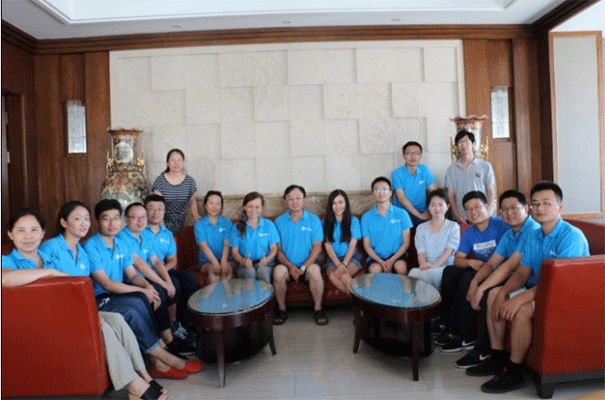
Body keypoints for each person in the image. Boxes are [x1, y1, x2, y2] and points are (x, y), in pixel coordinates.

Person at [2, 209, 169, 400]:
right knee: (101, 328)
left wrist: (89, 314)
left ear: (42, 233)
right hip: (37, 324)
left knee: (116, 319)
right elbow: (4, 279)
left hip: (64, 316)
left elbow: (65, 294)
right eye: (21, 230)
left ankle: (144, 376)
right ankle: (134, 385)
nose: (28, 236)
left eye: (34, 230)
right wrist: (50, 272)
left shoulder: (48, 258)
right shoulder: (8, 260)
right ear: (10, 234)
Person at [479, 181, 589, 394]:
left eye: (547, 203)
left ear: (560, 207)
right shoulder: (534, 234)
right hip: (544, 291)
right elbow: (522, 273)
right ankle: (498, 357)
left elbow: (557, 283)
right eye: (536, 203)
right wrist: (504, 293)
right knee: (493, 294)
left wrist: (518, 299)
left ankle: (514, 372)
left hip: (567, 296)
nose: (540, 208)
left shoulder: (571, 237)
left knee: (522, 308)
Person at [83, 199, 201, 379]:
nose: (112, 223)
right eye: (106, 218)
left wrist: (148, 288)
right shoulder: (91, 246)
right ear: (97, 221)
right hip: (102, 297)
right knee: (138, 301)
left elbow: (133, 275)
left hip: (116, 293)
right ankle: (166, 358)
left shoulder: (119, 244)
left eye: (115, 218)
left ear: (120, 220)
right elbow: (106, 284)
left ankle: (160, 356)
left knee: (148, 296)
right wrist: (145, 290)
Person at [455, 189, 539, 369]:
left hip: (532, 286)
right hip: (521, 283)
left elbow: (509, 266)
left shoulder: (532, 230)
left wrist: (481, 288)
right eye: (504, 209)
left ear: (526, 209)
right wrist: (475, 283)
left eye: (514, 208)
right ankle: (495, 355)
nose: (509, 213)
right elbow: (492, 264)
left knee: (489, 293)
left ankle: (483, 350)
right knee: (485, 289)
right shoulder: (509, 234)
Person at [117, 202, 195, 357]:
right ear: (125, 219)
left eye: (143, 217)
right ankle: (168, 341)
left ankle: (177, 328)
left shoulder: (144, 235)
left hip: (143, 277)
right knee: (159, 289)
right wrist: (164, 283)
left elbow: (156, 261)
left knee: (175, 282)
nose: (140, 221)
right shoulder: (122, 238)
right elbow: (139, 264)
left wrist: (168, 282)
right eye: (135, 217)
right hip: (130, 281)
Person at [435, 191, 509, 353]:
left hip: (500, 271)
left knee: (468, 279)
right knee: (450, 272)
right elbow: (457, 260)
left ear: (487, 207)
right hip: (482, 269)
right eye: (468, 209)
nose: (473, 212)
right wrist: (471, 262)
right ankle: (448, 325)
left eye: (477, 207)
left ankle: (466, 336)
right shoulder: (469, 232)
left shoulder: (502, 225)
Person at [144, 194, 197, 344]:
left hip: (162, 269)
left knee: (188, 277)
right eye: (151, 208)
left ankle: (187, 323)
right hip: (145, 273)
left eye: (160, 209)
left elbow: (173, 260)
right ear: (145, 210)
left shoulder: (167, 234)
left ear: (164, 211)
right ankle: (173, 326)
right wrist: (158, 273)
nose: (155, 212)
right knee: (174, 282)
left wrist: (161, 271)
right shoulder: (140, 231)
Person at [273, 185, 326, 326]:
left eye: (298, 198)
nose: (294, 201)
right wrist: (290, 266)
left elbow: (317, 246)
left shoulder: (314, 219)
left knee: (314, 271)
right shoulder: (278, 221)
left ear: (304, 200)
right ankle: (281, 310)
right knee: (278, 272)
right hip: (287, 264)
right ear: (285, 201)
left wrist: (303, 267)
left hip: (309, 264)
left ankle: (318, 309)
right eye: (290, 198)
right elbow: (278, 250)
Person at [408, 189, 460, 289]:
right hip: (427, 267)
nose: (437, 208)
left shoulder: (453, 226)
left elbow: (449, 251)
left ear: (447, 207)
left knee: (426, 276)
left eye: (441, 205)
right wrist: (424, 266)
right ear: (428, 207)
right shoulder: (421, 228)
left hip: (446, 268)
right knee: (413, 272)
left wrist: (434, 266)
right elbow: (421, 253)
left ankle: (429, 298)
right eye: (433, 205)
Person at [361, 176, 413, 276]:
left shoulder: (402, 214)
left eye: (384, 189)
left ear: (390, 193)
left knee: (400, 267)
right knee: (374, 270)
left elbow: (406, 243)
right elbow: (367, 246)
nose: (381, 193)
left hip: (397, 256)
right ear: (373, 194)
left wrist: (391, 261)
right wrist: (381, 262)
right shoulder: (366, 217)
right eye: (377, 190)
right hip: (377, 257)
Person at [445, 130, 495, 224]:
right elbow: (450, 195)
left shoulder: (485, 166)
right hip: (462, 217)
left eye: (466, 142)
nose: (463, 145)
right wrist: (456, 214)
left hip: (481, 215)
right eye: (460, 143)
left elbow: (491, 191)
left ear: (473, 144)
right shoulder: (451, 169)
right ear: (456, 146)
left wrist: (487, 210)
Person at [230, 191, 280, 284]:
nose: (254, 210)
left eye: (257, 207)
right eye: (250, 206)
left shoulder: (269, 225)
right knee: (250, 271)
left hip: (266, 264)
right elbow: (234, 252)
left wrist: (268, 259)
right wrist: (243, 261)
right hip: (244, 265)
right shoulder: (236, 227)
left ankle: (266, 294)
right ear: (245, 207)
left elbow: (274, 248)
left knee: (262, 271)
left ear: (262, 208)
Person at [322, 189, 362, 296]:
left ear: (346, 204)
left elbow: (352, 246)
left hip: (351, 258)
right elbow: (328, 246)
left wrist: (344, 264)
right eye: (334, 203)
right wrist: (338, 264)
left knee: (344, 275)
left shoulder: (354, 221)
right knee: (332, 276)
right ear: (330, 206)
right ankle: (360, 302)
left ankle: (360, 303)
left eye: (340, 202)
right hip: (332, 260)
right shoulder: (325, 223)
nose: (337, 206)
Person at [152, 149, 201, 235]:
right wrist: (162, 225)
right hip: (162, 221)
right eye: (173, 160)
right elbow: (157, 205)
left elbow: (192, 201)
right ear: (167, 163)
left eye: (179, 160)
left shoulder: (189, 181)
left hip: (181, 221)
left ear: (183, 162)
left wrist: (196, 216)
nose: (176, 163)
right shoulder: (160, 180)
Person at [392, 141, 437, 226]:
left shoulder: (424, 169)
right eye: (409, 153)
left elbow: (434, 191)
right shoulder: (397, 173)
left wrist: (434, 210)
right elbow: (401, 198)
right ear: (403, 156)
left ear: (421, 156)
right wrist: (419, 215)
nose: (413, 156)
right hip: (403, 212)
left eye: (416, 153)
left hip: (422, 210)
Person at [194, 190, 234, 283]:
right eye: (211, 203)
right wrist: (215, 262)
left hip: (227, 260)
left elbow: (227, 244)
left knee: (226, 270)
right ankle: (215, 293)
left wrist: (223, 262)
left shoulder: (227, 223)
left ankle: (227, 293)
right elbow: (203, 246)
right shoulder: (199, 225)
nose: (214, 207)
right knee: (213, 269)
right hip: (205, 262)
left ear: (221, 206)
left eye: (218, 203)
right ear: (205, 205)